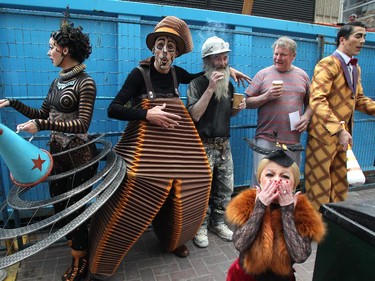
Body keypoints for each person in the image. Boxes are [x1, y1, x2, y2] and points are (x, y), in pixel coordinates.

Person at [86, 16, 250, 281]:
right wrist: (147, 115)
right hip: (147, 152)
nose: (164, 52)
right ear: (153, 49)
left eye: (170, 47)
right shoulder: (139, 75)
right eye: (160, 45)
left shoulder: (177, 74)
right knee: (133, 194)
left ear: (175, 53)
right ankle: (106, 255)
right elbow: (113, 108)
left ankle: (176, 238)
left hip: (177, 149)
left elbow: (205, 73)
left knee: (189, 188)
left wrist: (229, 70)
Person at [0, 12, 97, 281]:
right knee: (60, 209)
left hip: (79, 157)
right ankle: (75, 252)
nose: (48, 52)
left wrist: (42, 125)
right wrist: (13, 103)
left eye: (51, 47)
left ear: (65, 49)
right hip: (56, 156)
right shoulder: (57, 81)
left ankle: (82, 263)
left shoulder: (86, 82)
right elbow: (42, 112)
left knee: (76, 209)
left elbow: (82, 124)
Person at [304, 21, 375, 211]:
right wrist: (337, 130)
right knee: (318, 187)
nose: (362, 41)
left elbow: (358, 99)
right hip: (324, 136)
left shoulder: (355, 68)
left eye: (364, 37)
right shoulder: (328, 63)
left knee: (339, 185)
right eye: (358, 36)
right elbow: (317, 99)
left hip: (344, 138)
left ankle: (334, 229)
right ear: (342, 40)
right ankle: (313, 233)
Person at [225, 148, 326, 281]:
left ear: (294, 184)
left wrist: (287, 211)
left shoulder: (303, 211)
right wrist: (259, 207)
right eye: (270, 175)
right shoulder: (247, 202)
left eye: (285, 176)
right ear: (259, 180)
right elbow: (240, 244)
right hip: (245, 276)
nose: (276, 181)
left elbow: (300, 256)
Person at [186, 36, 246, 248]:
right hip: (203, 145)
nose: (224, 62)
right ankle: (199, 227)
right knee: (202, 189)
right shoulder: (197, 84)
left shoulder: (228, 84)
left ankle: (218, 223)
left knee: (225, 188)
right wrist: (210, 88)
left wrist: (237, 110)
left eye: (226, 57)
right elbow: (195, 115)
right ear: (207, 61)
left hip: (224, 145)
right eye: (219, 58)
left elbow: (225, 114)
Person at [245, 36, 312, 185]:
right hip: (266, 138)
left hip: (292, 140)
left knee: (288, 180)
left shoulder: (303, 76)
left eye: (283, 55)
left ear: (293, 56)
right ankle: (259, 207)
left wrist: (307, 117)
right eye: (276, 54)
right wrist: (266, 96)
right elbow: (247, 102)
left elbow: (311, 103)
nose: (278, 58)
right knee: (262, 178)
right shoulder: (263, 74)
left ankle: (284, 208)